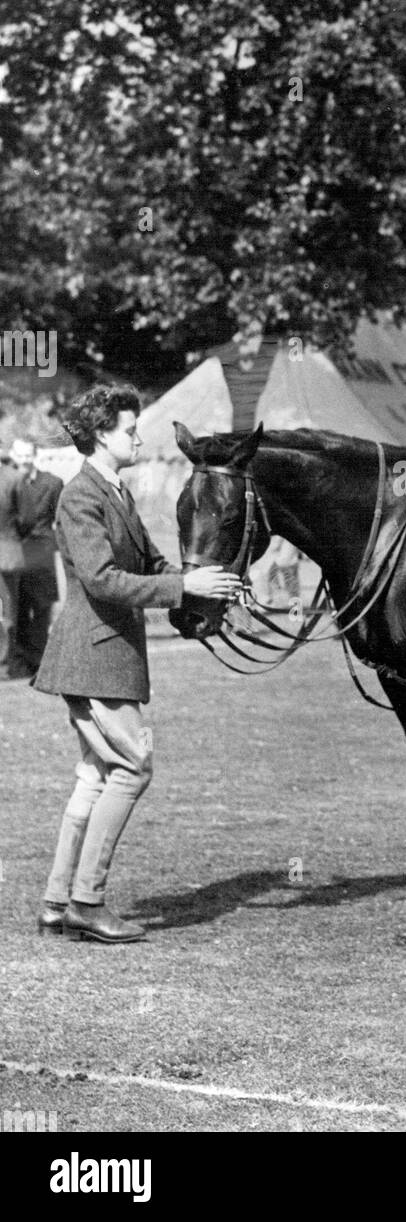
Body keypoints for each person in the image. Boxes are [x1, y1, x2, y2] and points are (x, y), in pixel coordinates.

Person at [35, 384, 241, 944]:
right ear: (101, 434)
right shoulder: (81, 496)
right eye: (129, 429)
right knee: (133, 768)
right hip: (93, 658)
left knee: (96, 776)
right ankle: (86, 900)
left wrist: (208, 586)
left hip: (102, 658)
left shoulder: (113, 490)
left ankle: (58, 902)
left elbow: (148, 563)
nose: (138, 437)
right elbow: (102, 579)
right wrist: (182, 585)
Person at [9, 438, 63, 678]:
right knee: (17, 607)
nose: (23, 461)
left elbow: (58, 519)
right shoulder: (8, 483)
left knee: (42, 608)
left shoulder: (52, 483)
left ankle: (39, 661)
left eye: (27, 455)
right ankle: (18, 662)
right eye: (19, 456)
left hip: (41, 551)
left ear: (35, 455)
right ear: (12, 456)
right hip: (15, 552)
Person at [0, 448, 27, 680]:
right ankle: (8, 663)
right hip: (8, 552)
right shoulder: (14, 477)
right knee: (9, 611)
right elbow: (25, 517)